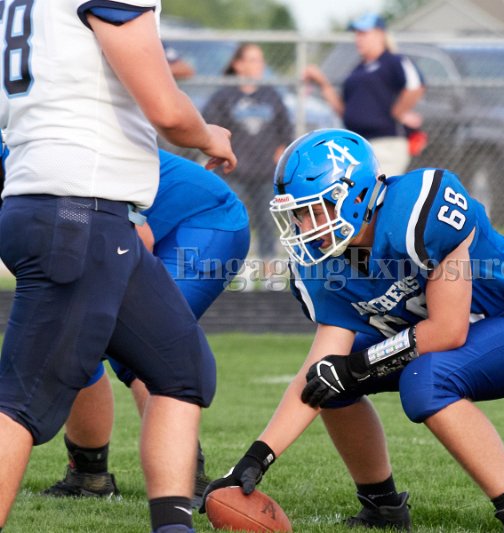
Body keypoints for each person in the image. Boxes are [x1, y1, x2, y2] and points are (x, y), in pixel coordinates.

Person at [200, 128, 504, 532]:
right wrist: (255, 459)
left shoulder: (417, 211)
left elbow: (448, 330)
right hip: (458, 331)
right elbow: (321, 369)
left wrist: (358, 367)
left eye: (315, 210)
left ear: (356, 196)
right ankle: (382, 508)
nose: (304, 225)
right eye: (297, 214)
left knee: (425, 380)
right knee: (327, 379)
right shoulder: (322, 263)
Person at [0, 3, 236, 532]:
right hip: (77, 210)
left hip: (73, 210)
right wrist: (207, 135)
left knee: (183, 371)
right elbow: (166, 110)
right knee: (22, 403)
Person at [41, 150, 251, 507]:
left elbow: (138, 236)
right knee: (70, 337)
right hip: (150, 221)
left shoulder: (49, 159)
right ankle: (88, 475)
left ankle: (186, 475)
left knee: (142, 340)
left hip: (205, 220)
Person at [202, 42, 293, 277]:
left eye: (260, 60)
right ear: (238, 65)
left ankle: (268, 271)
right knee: (233, 220)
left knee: (267, 222)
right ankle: (229, 268)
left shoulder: (271, 95)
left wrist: (281, 150)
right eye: (252, 60)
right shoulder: (224, 96)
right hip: (234, 171)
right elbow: (210, 128)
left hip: (265, 172)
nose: (258, 65)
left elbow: (286, 129)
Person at [303, 13, 425, 177]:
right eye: (357, 34)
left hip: (385, 143)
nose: (358, 39)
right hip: (358, 146)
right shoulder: (358, 69)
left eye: (364, 33)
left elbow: (415, 85)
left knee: (376, 189)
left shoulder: (393, 61)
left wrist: (399, 112)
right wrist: (323, 83)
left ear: (380, 34)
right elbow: (344, 110)